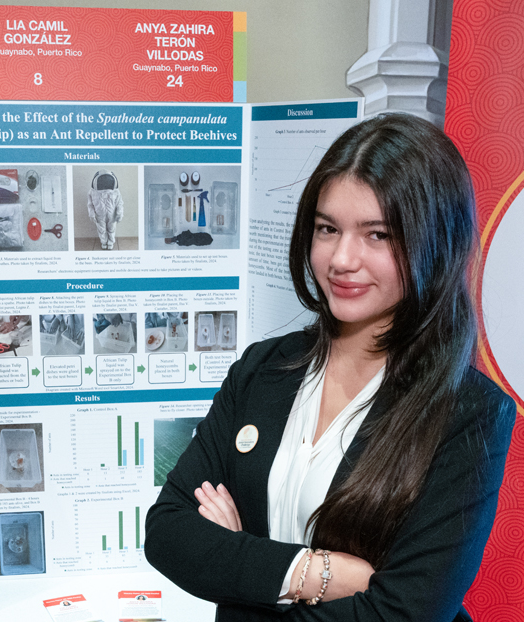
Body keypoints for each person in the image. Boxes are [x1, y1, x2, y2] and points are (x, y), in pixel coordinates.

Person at [145, 113, 516, 621]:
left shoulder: (469, 412)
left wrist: (240, 569)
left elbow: (404, 613)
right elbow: (168, 533)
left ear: (434, 241)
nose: (342, 259)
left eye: (377, 235)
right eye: (327, 228)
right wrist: (318, 573)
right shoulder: (263, 368)